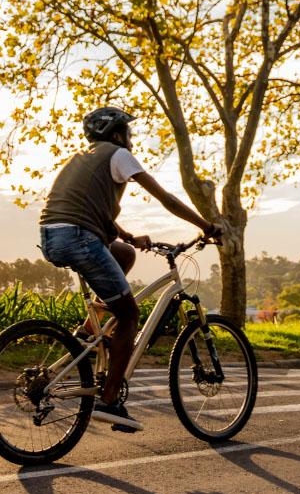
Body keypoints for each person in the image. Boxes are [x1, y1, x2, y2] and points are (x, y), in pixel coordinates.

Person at [39, 106, 220, 433]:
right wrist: (206, 225)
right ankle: (109, 401)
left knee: (122, 254)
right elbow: (165, 198)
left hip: (55, 235)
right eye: (128, 131)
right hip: (79, 237)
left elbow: (88, 209)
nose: (131, 138)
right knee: (129, 315)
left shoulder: (82, 158)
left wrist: (127, 236)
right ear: (118, 134)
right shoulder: (118, 154)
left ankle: (89, 331)